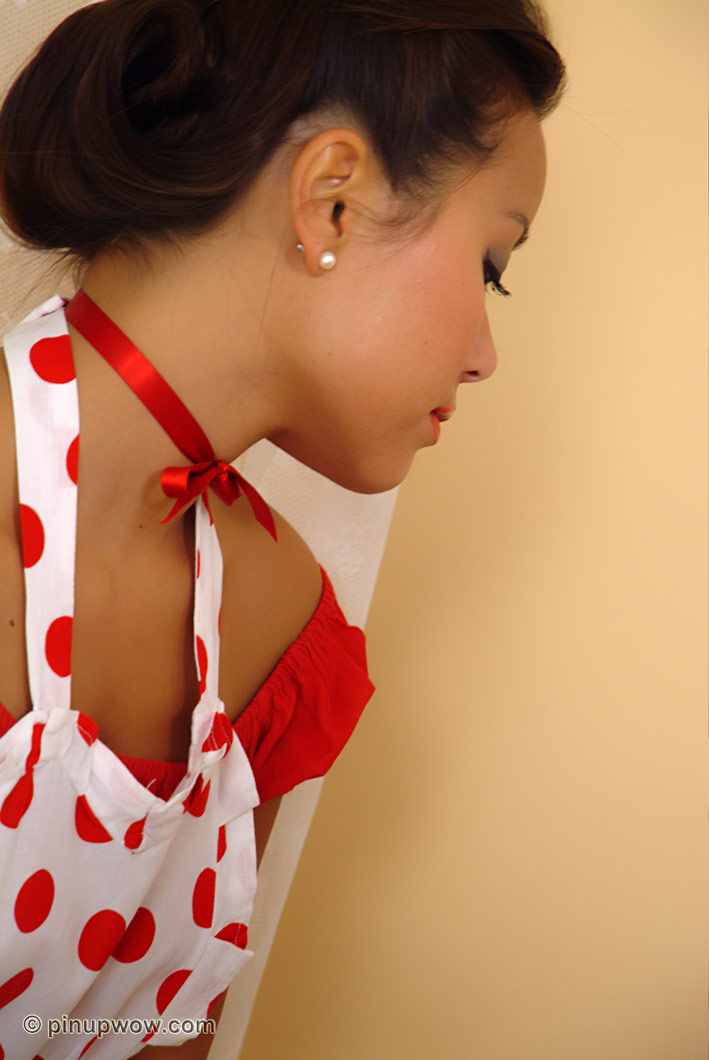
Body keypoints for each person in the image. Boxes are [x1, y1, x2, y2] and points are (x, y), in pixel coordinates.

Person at [0, 0, 566, 1056]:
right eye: (490, 265)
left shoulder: (279, 624)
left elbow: (171, 1034)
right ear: (330, 200)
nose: (484, 356)